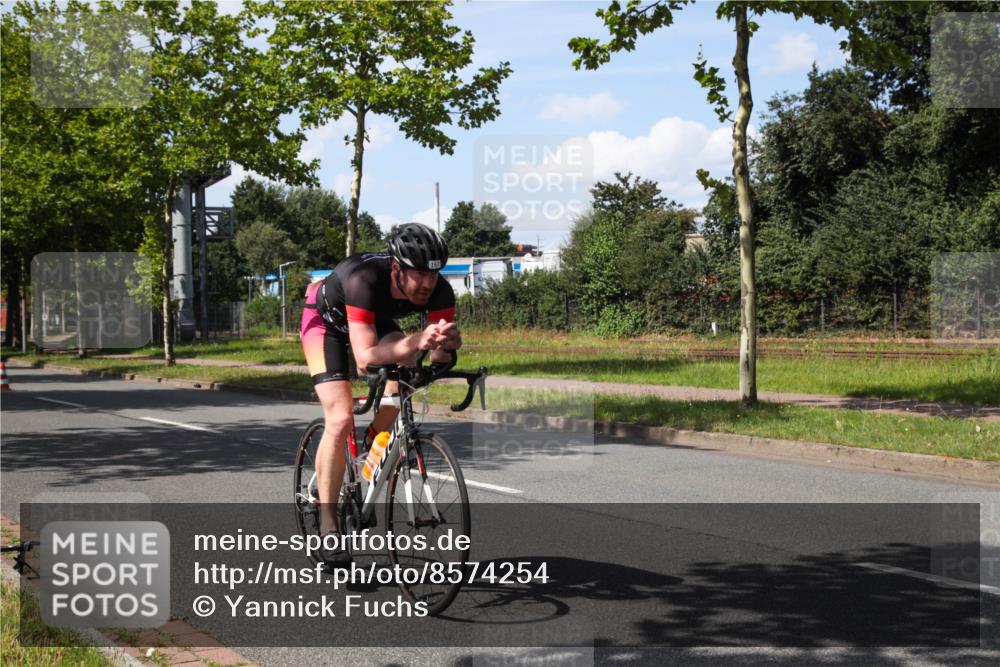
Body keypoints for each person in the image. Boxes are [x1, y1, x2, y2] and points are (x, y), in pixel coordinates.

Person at [299, 223, 462, 566]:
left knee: (404, 375)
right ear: (397, 268)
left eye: (434, 276)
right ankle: (329, 526)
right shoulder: (364, 279)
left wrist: (446, 348)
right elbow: (366, 358)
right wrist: (417, 340)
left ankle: (374, 447)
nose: (428, 284)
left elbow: (434, 360)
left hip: (375, 319)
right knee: (341, 418)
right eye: (419, 275)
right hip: (326, 323)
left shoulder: (440, 291)